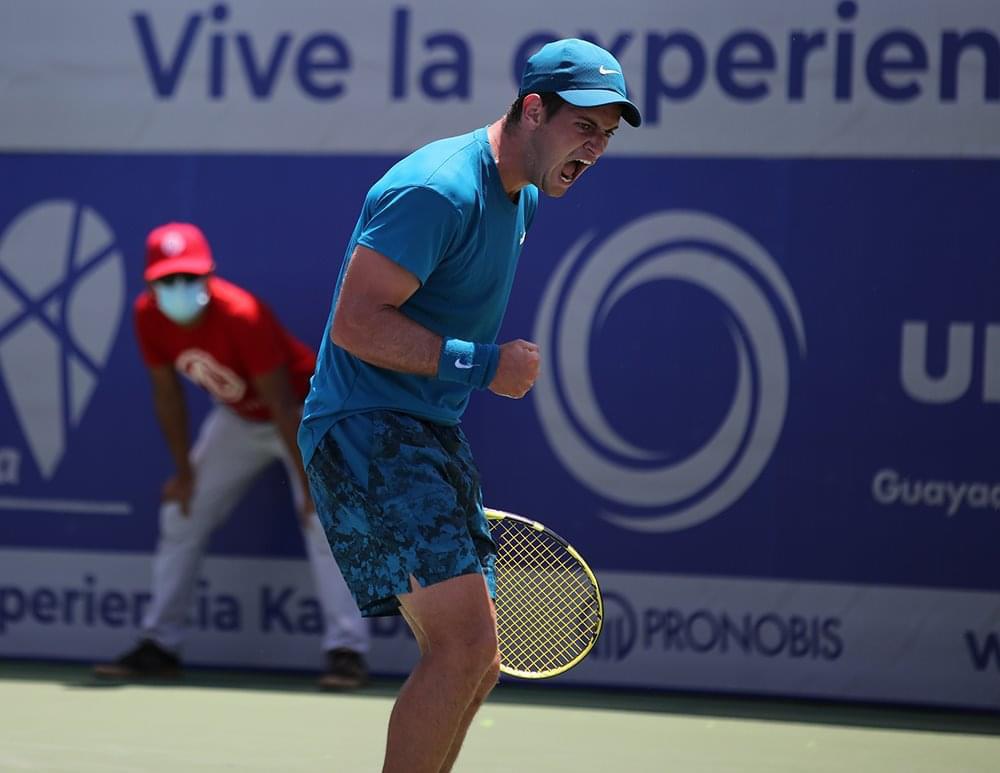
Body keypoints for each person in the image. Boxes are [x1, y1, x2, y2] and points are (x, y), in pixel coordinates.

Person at [298, 38, 641, 771]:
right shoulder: (439, 189)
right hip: (364, 426)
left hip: (423, 426)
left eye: (607, 136)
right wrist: (486, 365)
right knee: (464, 648)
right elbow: (355, 324)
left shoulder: (521, 197)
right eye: (584, 126)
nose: (596, 147)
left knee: (477, 658)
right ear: (532, 108)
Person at [94, 222, 370, 690]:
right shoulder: (147, 316)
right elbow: (167, 395)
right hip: (238, 419)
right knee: (181, 511)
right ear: (149, 284)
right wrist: (184, 472)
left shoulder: (241, 313)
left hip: (304, 414)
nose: (178, 288)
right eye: (167, 280)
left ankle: (347, 651)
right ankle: (159, 645)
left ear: (209, 275)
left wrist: (308, 488)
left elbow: (282, 405)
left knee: (321, 519)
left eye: (189, 276)